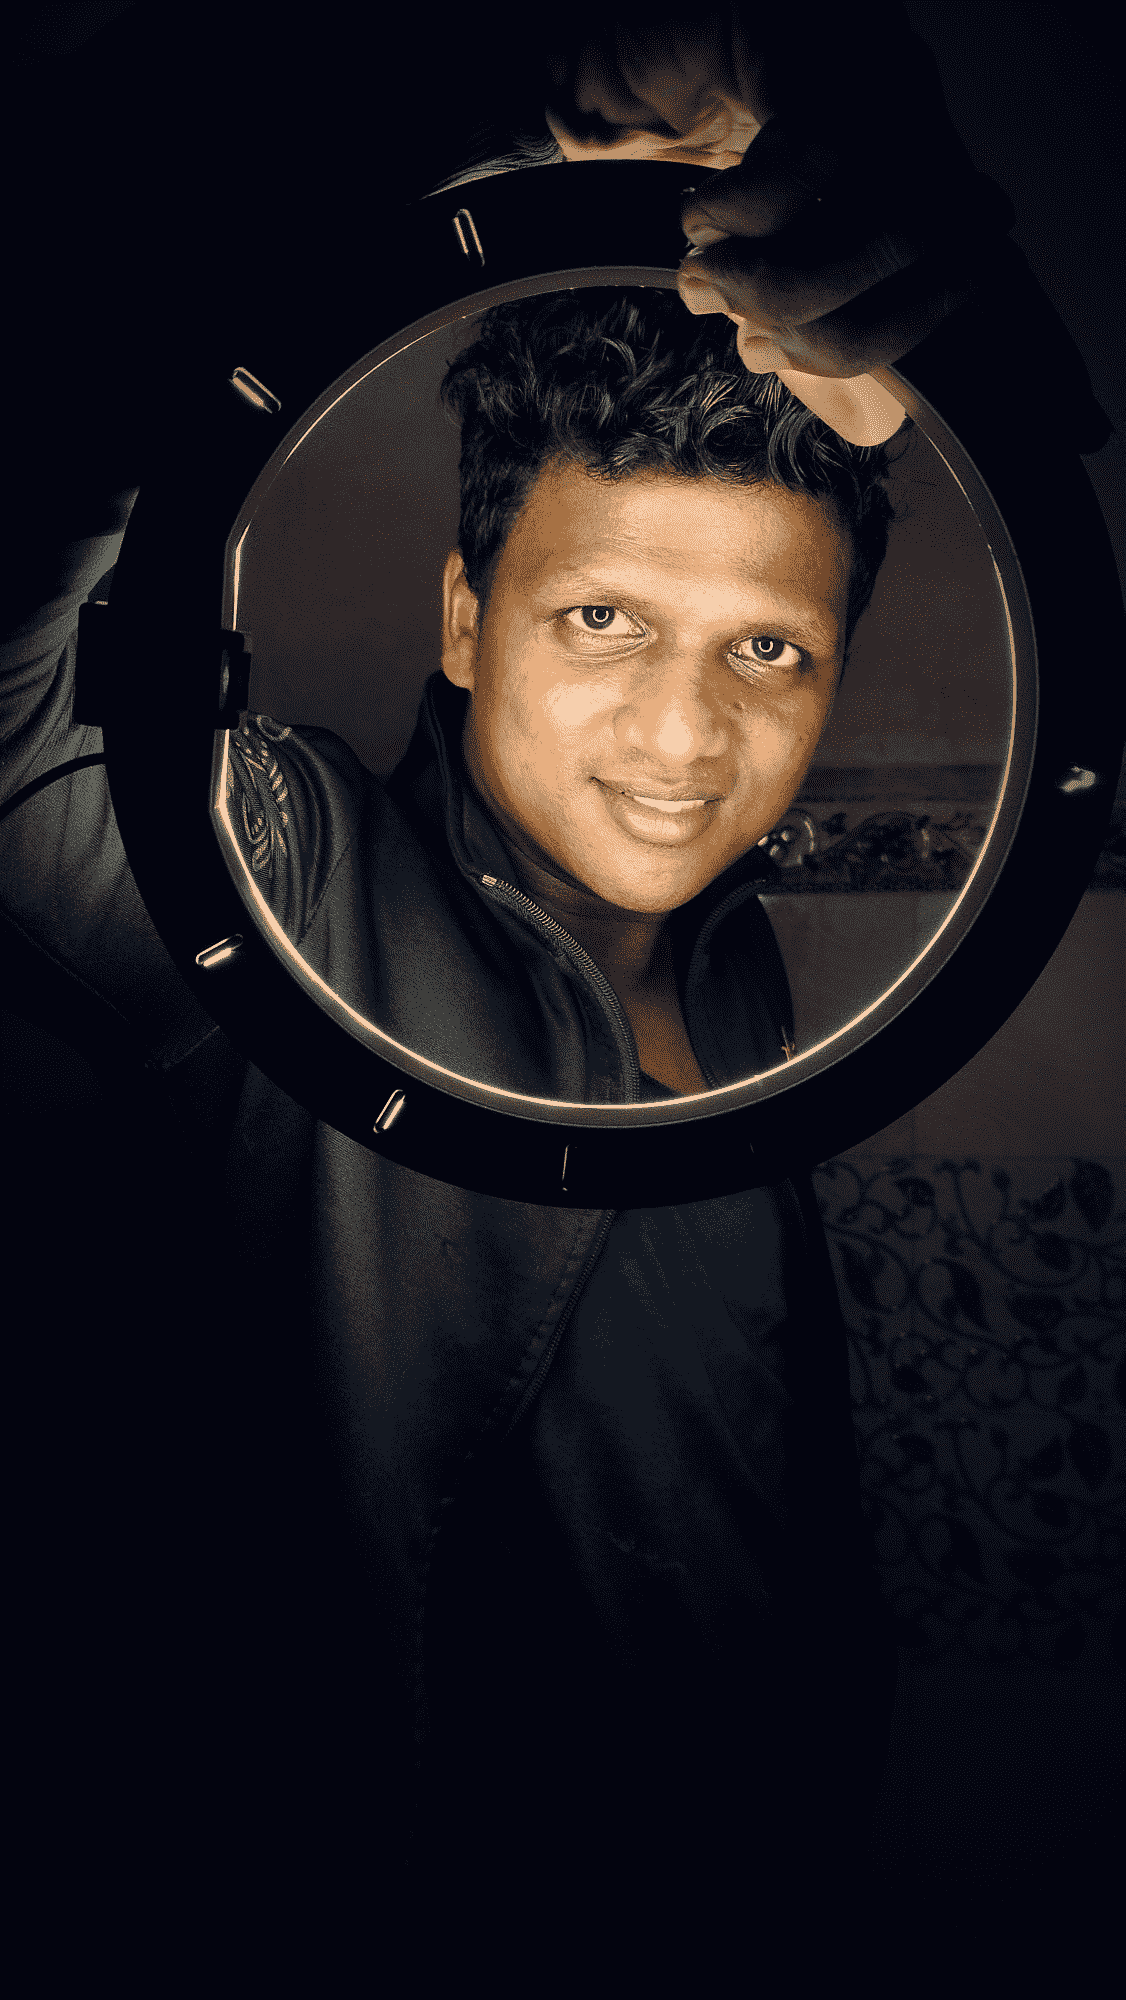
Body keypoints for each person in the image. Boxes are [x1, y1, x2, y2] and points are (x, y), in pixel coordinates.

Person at [1, 3, 1111, 1989]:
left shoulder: (762, 992)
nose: (682, 738)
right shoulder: (276, 888)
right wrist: (517, 103)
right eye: (601, 616)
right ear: (463, 615)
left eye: (766, 649)